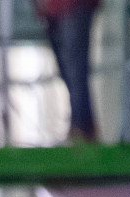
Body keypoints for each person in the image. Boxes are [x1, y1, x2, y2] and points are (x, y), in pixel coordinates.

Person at [37, 0, 99, 142]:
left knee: (76, 69)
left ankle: (81, 129)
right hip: (52, 11)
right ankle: (84, 127)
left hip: (75, 6)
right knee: (67, 71)